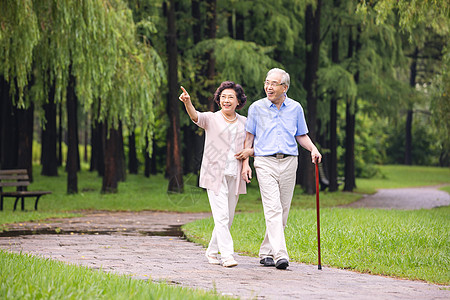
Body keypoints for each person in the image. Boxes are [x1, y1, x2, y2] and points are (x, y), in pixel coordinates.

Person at [239, 68, 322, 270]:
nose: (268, 87)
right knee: (273, 208)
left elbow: (301, 134)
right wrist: (245, 163)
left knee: (283, 209)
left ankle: (266, 252)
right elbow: (249, 139)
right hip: (264, 161)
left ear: (284, 87)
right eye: (267, 82)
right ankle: (280, 255)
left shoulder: (295, 108)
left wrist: (313, 148)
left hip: (289, 161)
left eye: (274, 83)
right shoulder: (256, 108)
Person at [179, 81, 252, 268]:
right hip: (214, 174)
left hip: (234, 175)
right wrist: (188, 102)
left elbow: (249, 147)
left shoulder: (245, 122)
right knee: (221, 216)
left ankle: (211, 251)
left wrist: (247, 159)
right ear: (219, 100)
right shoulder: (211, 118)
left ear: (238, 101)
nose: (226, 100)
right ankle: (228, 256)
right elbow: (195, 116)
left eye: (230, 97)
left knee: (228, 217)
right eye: (223, 97)